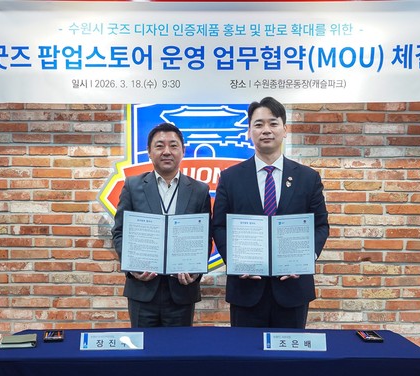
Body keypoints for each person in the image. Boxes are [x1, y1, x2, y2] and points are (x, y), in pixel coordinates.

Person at [211, 97, 329, 329]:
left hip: (293, 289)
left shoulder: (308, 177)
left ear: (285, 130)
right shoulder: (230, 177)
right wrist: (236, 261)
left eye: (273, 123)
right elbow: (219, 226)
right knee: (246, 351)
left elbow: (320, 225)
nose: (266, 130)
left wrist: (305, 259)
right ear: (249, 132)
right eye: (258, 124)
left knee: (290, 351)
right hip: (246, 289)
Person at [112, 122, 212, 327]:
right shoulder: (132, 186)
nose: (167, 151)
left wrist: (195, 272)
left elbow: (205, 238)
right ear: (149, 152)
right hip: (142, 289)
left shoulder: (199, 190)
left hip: (182, 291)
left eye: (173, 146)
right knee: (143, 346)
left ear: (183, 151)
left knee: (178, 347)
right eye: (159, 146)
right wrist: (131, 267)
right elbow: (119, 232)